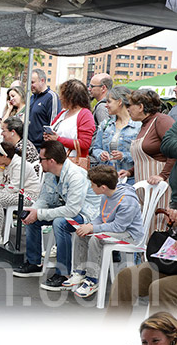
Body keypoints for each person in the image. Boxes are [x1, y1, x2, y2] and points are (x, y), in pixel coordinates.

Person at [12, 140, 93, 288]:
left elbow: (72, 210)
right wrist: (34, 211)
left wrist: (40, 213)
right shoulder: (50, 173)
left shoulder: (75, 176)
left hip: (86, 214)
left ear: (51, 161)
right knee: (32, 217)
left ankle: (63, 274)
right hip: (65, 209)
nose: (39, 161)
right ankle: (34, 262)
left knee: (60, 223)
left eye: (41, 159)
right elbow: (44, 198)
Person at [66, 164, 144, 299]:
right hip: (115, 229)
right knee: (82, 232)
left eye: (92, 185)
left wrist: (93, 228)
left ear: (102, 187)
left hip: (130, 235)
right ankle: (79, 271)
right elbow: (101, 218)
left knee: (97, 238)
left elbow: (118, 227)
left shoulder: (127, 201)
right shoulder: (105, 194)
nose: (91, 187)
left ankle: (92, 280)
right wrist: (89, 225)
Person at [127, 88, 174, 235]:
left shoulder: (162, 121)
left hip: (161, 188)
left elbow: (175, 149)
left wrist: (163, 175)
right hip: (146, 190)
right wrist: (130, 171)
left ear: (141, 107)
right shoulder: (144, 124)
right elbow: (143, 156)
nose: (127, 109)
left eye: (130, 105)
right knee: (146, 232)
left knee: (159, 231)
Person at [89, 85, 140, 182]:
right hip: (107, 179)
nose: (106, 105)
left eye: (109, 101)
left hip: (129, 180)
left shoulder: (138, 126)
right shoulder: (105, 124)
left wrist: (124, 155)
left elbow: (143, 154)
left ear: (119, 102)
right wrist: (101, 154)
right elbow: (96, 148)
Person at [48, 79, 96, 163]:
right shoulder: (63, 112)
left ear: (71, 97)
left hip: (71, 164)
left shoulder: (85, 114)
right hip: (54, 161)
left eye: (62, 95)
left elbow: (85, 144)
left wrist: (58, 139)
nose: (60, 98)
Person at [28, 68, 59, 148]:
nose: (30, 85)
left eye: (32, 82)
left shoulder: (51, 97)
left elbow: (54, 124)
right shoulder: (32, 97)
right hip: (30, 145)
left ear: (42, 80)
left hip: (42, 146)